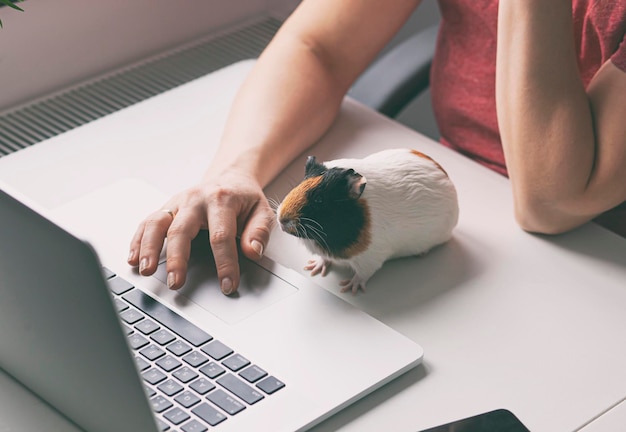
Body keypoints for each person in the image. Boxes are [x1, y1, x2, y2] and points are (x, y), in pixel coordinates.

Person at [127, 0, 626, 295]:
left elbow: (553, 200)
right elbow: (318, 48)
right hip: (454, 217)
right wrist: (236, 171)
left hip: (595, 262)